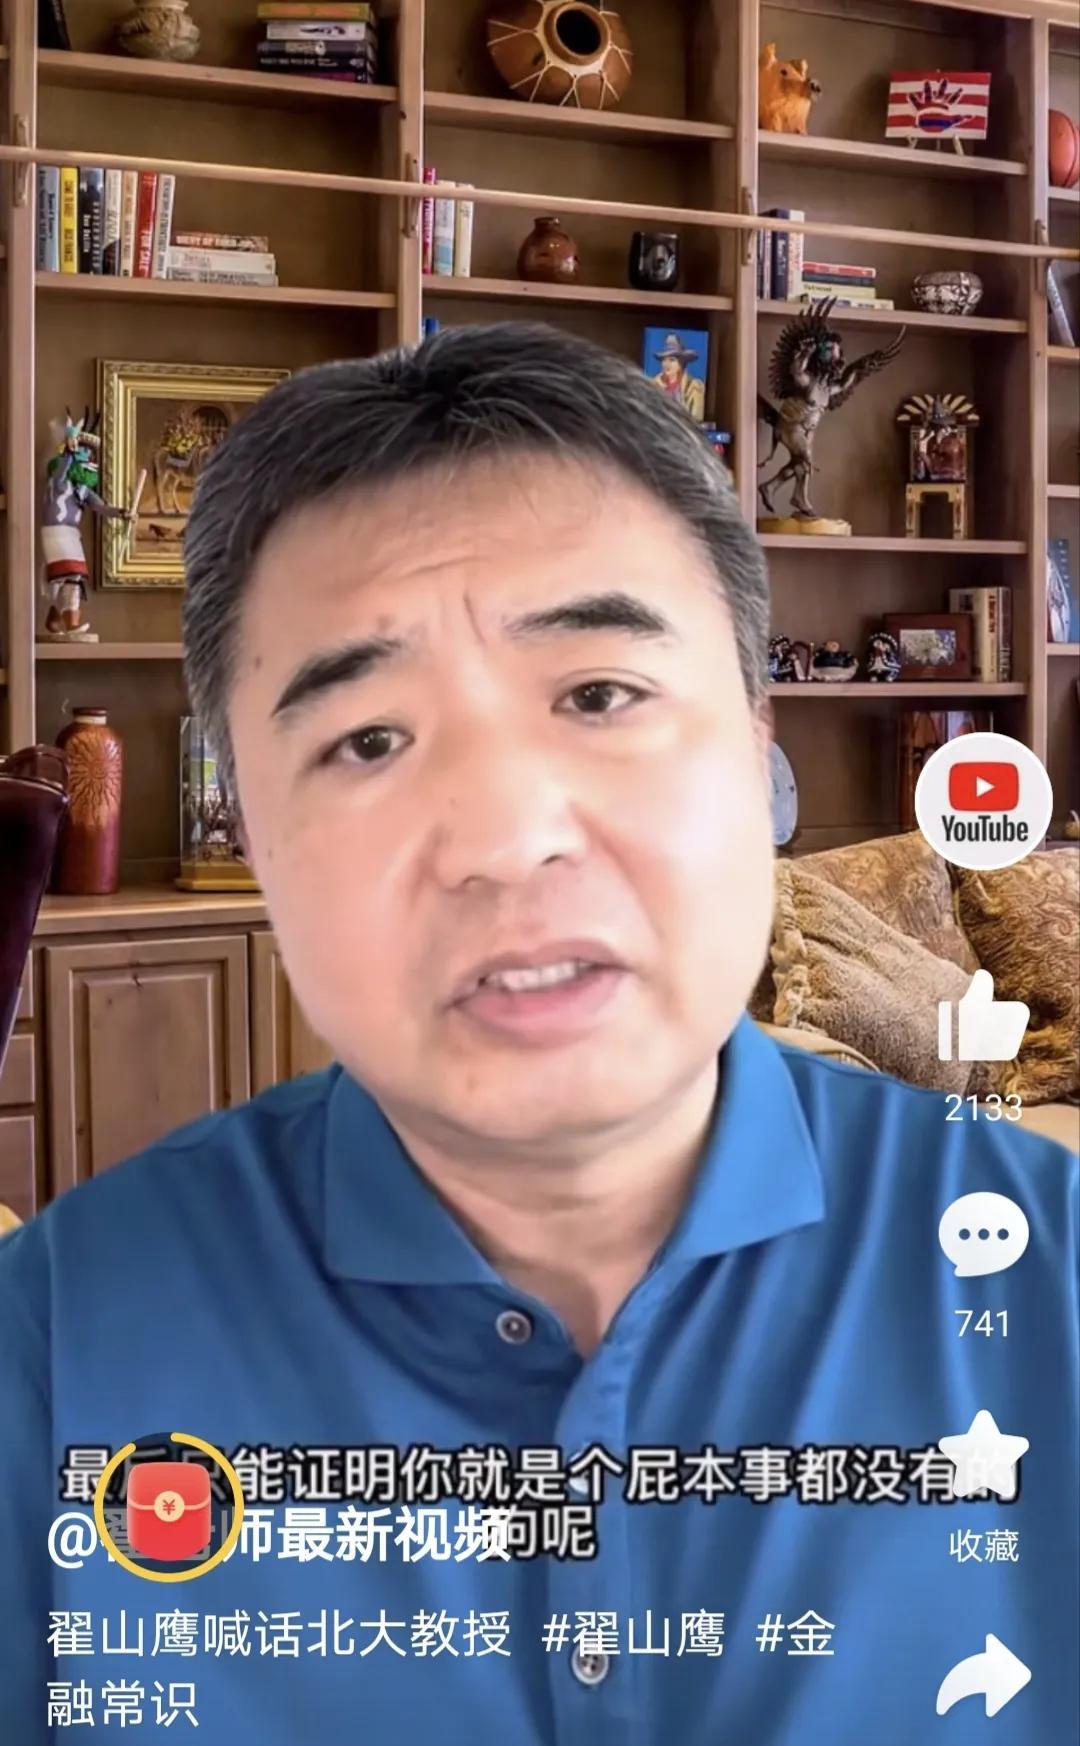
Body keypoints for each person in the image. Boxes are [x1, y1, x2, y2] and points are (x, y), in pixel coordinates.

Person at [0, 323, 1075, 1746]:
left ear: (757, 741)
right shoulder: (56, 1344)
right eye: (368, 740)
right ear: (247, 827)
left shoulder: (1047, 1281)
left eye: (598, 694)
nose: (506, 839)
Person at [649, 332, 706, 421]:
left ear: (681, 364)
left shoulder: (693, 387)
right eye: (664, 360)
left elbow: (697, 418)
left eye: (672, 360)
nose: (666, 364)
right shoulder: (654, 385)